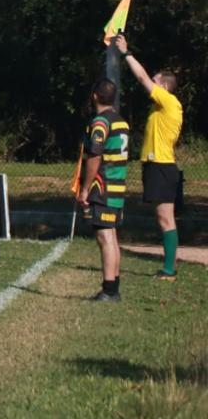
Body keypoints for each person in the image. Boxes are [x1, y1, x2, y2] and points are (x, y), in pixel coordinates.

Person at [113, 34, 182, 279]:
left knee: (165, 219)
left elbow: (142, 77)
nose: (151, 82)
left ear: (163, 86)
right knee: (164, 218)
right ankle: (169, 268)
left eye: (156, 81)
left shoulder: (169, 101)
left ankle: (169, 270)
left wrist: (126, 52)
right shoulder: (161, 106)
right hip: (157, 167)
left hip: (161, 167)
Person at [77, 78, 129, 301]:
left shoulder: (100, 123)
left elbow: (95, 155)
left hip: (104, 186)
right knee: (112, 236)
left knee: (105, 237)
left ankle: (109, 291)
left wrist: (86, 188)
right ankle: (113, 285)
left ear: (95, 96)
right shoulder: (121, 121)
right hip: (118, 187)